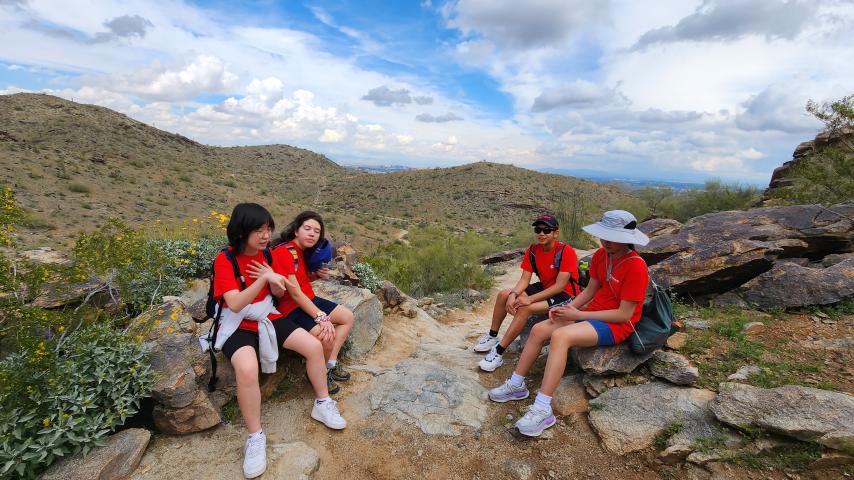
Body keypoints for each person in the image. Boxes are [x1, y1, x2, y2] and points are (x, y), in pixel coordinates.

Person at [210, 203, 346, 479]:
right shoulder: (226, 259)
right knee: (247, 368)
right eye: (258, 230)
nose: (265, 235)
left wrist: (273, 282)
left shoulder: (269, 255)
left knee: (313, 347)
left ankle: (322, 403)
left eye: (268, 229)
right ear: (241, 230)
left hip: (267, 315)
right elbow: (234, 303)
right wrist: (264, 280)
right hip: (237, 323)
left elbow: (279, 291)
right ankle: (255, 436)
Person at [488, 210, 650, 437]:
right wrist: (570, 308)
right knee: (538, 329)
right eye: (604, 236)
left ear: (626, 239)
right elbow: (591, 290)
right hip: (592, 313)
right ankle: (517, 384)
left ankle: (543, 408)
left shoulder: (636, 266)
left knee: (560, 336)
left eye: (612, 238)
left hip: (615, 324)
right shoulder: (602, 256)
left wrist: (580, 315)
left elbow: (624, 315)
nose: (606, 241)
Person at [474, 213, 579, 372]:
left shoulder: (566, 252)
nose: (541, 233)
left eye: (547, 230)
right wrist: (513, 295)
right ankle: (492, 336)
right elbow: (524, 279)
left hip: (565, 295)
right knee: (504, 294)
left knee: (525, 307)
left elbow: (559, 286)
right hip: (544, 287)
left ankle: (499, 352)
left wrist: (529, 300)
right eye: (538, 230)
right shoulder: (533, 250)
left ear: (555, 233)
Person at [272, 211, 355, 395]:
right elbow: (294, 293)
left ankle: (329, 364)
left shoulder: (300, 252)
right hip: (292, 307)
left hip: (308, 299)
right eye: (307, 228)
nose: (312, 234)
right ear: (296, 230)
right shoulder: (284, 252)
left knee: (347, 317)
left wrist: (314, 276)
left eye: (316, 231)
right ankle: (321, 374)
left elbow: (299, 282)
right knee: (326, 336)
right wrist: (320, 316)